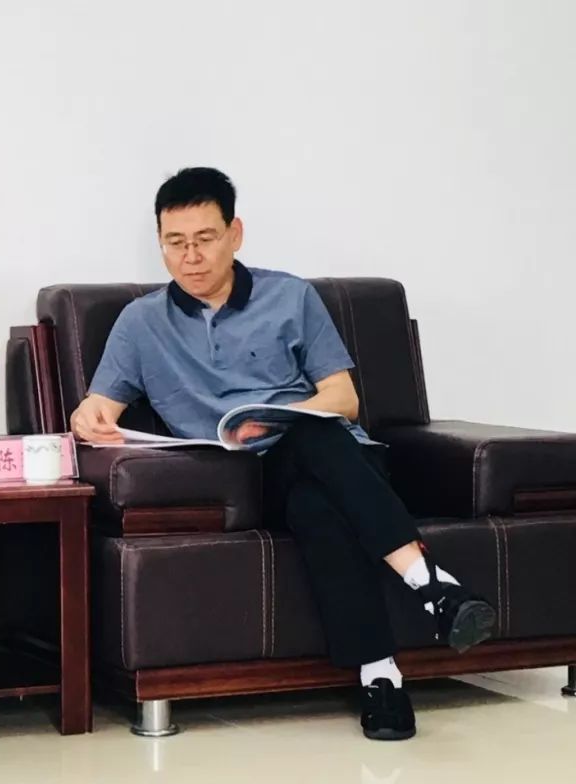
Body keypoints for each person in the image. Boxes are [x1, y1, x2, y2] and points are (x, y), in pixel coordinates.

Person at [70, 167, 496, 741]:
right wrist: (89, 417)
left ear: (235, 233)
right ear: (161, 244)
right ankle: (434, 588)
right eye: (175, 243)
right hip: (248, 479)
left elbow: (343, 399)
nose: (190, 257)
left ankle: (382, 677)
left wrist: (282, 418)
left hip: (339, 460)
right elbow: (99, 407)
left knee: (316, 484)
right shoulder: (140, 323)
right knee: (311, 470)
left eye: (205, 239)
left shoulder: (290, 296)